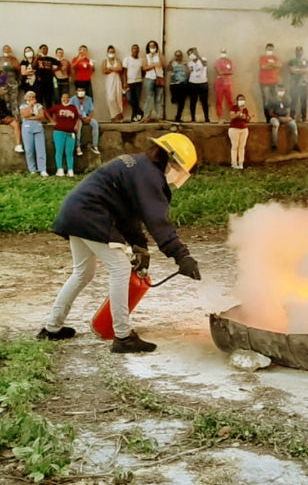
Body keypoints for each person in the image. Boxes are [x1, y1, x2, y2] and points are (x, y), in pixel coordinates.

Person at [39, 132, 202, 352]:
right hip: (91, 214)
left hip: (75, 211)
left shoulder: (138, 165)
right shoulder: (150, 176)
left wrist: (139, 246)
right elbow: (158, 222)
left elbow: (128, 213)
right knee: (120, 268)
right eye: (178, 168)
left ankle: (52, 328)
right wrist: (182, 256)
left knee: (83, 272)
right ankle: (123, 337)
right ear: (170, 159)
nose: (176, 175)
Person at [47, 92, 81, 177]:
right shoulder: (57, 107)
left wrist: (77, 125)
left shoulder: (73, 107)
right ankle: (60, 169)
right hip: (59, 132)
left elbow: (78, 118)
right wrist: (51, 121)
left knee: (69, 152)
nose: (65, 99)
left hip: (70, 133)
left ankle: (70, 170)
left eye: (67, 97)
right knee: (59, 151)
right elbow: (46, 112)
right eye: (63, 97)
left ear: (69, 99)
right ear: (61, 98)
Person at [20, 90, 49, 176]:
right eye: (29, 97)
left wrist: (30, 118)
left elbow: (41, 116)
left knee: (41, 149)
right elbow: (24, 115)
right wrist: (30, 106)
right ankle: (32, 169)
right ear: (26, 98)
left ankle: (42, 169)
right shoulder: (23, 106)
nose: (31, 98)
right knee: (29, 149)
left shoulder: (39, 106)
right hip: (27, 129)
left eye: (33, 97)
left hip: (38, 128)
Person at [267, 86, 299, 152]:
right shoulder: (272, 100)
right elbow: (270, 113)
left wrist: (286, 118)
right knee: (275, 125)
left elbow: (288, 111)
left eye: (282, 90)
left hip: (284, 118)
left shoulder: (287, 99)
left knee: (293, 125)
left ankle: (295, 144)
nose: (281, 92)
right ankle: (274, 145)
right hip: (275, 117)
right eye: (279, 90)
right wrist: (279, 118)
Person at [141, 40, 166, 122]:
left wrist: (160, 56)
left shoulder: (160, 56)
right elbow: (144, 68)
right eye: (150, 46)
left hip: (159, 78)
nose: (152, 48)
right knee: (149, 97)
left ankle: (159, 117)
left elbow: (164, 64)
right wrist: (153, 65)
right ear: (148, 47)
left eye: (154, 46)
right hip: (149, 78)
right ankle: (146, 116)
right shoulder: (146, 57)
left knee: (158, 98)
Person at [71, 88, 100, 155]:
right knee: (79, 126)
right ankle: (78, 146)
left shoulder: (89, 99)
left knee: (95, 123)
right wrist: (81, 118)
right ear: (77, 91)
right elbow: (72, 110)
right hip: (77, 118)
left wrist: (89, 118)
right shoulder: (73, 99)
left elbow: (92, 110)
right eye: (79, 90)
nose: (81, 92)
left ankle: (95, 145)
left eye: (82, 90)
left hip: (86, 116)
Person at [258, 42, 281, 121]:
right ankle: (268, 118)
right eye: (268, 49)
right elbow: (263, 67)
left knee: (276, 100)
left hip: (274, 82)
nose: (270, 51)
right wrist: (272, 65)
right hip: (264, 83)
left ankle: (275, 116)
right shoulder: (262, 58)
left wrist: (269, 65)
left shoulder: (275, 58)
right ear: (266, 50)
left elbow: (279, 65)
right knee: (267, 101)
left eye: (271, 49)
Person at [287, 46, 308, 122]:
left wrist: (297, 70)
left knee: (304, 101)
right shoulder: (292, 61)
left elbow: (307, 70)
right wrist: (302, 70)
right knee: (294, 101)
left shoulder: (306, 61)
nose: (299, 52)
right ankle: (292, 117)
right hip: (294, 84)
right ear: (295, 52)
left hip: (304, 84)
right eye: (297, 51)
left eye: (300, 51)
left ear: (302, 52)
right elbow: (292, 70)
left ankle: (304, 117)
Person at [187, 47, 210, 123]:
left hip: (203, 83)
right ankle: (193, 118)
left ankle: (207, 118)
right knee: (193, 102)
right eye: (189, 54)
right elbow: (189, 72)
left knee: (204, 102)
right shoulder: (190, 63)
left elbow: (205, 64)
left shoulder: (203, 59)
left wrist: (198, 55)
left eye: (192, 53)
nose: (191, 55)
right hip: (193, 83)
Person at [0, 45, 21, 117]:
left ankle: (15, 117)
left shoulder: (14, 59)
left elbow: (18, 70)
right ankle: (5, 117)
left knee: (13, 100)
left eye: (8, 49)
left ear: (10, 50)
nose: (6, 51)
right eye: (5, 49)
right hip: (2, 82)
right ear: (3, 50)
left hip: (12, 82)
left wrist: (11, 59)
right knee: (4, 100)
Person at [228, 94, 251, 169]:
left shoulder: (245, 109)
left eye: (243, 99)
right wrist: (237, 114)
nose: (242, 101)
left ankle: (241, 163)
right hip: (234, 129)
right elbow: (232, 116)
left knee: (242, 147)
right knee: (235, 146)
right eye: (240, 99)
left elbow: (247, 120)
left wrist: (247, 118)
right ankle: (234, 163)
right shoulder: (234, 108)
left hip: (244, 129)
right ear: (237, 101)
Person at [33, 44, 59, 109]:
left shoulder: (50, 59)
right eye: (43, 49)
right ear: (40, 49)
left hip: (49, 81)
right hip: (39, 81)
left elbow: (58, 63)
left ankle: (49, 113)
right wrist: (36, 57)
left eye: (47, 49)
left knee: (48, 99)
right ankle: (40, 112)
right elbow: (33, 66)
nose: (45, 50)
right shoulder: (36, 58)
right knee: (39, 98)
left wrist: (54, 69)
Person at [103, 45, 125, 122]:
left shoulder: (117, 60)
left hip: (117, 80)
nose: (111, 53)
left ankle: (120, 116)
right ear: (107, 52)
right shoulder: (105, 61)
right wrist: (115, 69)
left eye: (112, 52)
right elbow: (104, 71)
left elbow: (120, 69)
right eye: (110, 52)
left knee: (118, 97)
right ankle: (114, 115)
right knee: (110, 98)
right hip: (109, 81)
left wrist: (110, 68)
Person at [123, 44, 144, 122]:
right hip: (129, 83)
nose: (135, 50)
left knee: (136, 100)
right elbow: (124, 72)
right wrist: (125, 82)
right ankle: (140, 111)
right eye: (134, 48)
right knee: (129, 99)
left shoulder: (141, 60)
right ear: (131, 50)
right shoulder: (127, 59)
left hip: (138, 82)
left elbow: (143, 71)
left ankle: (134, 118)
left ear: (139, 51)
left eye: (137, 49)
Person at [168, 50, 189, 122]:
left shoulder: (184, 63)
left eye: (179, 55)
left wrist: (185, 67)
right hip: (174, 84)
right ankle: (174, 98)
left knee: (181, 102)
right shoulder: (173, 63)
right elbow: (168, 69)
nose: (178, 57)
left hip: (183, 84)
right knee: (174, 100)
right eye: (176, 55)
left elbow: (188, 72)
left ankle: (178, 117)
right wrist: (171, 62)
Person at [214, 48, 234, 120]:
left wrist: (223, 73)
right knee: (219, 101)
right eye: (222, 52)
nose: (223, 53)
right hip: (219, 84)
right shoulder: (217, 62)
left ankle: (233, 117)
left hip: (228, 84)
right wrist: (226, 72)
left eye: (224, 52)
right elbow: (219, 71)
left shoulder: (229, 61)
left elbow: (232, 72)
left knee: (231, 101)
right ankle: (220, 118)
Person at [19, 46, 37, 111]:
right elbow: (23, 72)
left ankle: (36, 111)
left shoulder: (36, 61)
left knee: (36, 97)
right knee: (28, 97)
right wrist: (32, 72)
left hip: (36, 83)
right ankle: (29, 111)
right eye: (26, 51)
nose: (28, 52)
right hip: (27, 83)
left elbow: (38, 71)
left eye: (29, 50)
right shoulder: (24, 62)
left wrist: (29, 72)